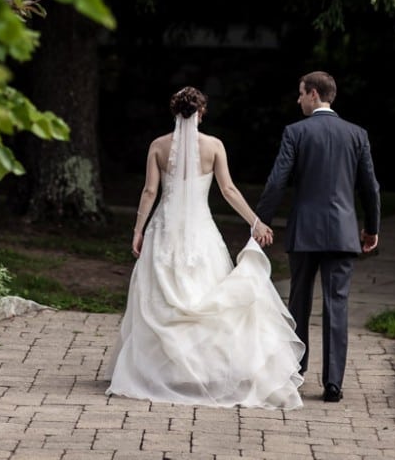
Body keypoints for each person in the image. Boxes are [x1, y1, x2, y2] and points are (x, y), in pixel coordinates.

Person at [104, 86, 305, 409]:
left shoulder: (158, 146)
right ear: (202, 112)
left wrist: (138, 230)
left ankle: (161, 370)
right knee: (204, 292)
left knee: (162, 298)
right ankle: (204, 369)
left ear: (175, 113)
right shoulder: (214, 146)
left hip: (164, 230)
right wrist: (255, 222)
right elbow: (228, 189)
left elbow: (148, 192)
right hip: (201, 232)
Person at [256, 71, 380, 404]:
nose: (298, 100)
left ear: (313, 94)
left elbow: (276, 181)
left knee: (298, 302)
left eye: (300, 94)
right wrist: (372, 228)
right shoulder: (357, 134)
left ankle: (295, 372)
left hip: (305, 232)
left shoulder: (296, 132)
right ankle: (334, 383)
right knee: (336, 306)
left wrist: (261, 221)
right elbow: (370, 186)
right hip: (342, 232)